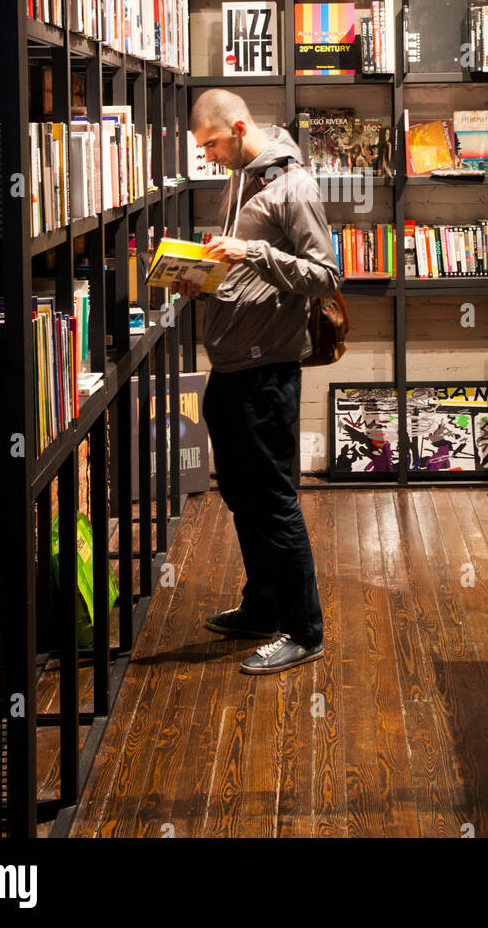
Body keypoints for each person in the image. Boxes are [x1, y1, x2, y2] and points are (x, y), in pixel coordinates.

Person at [172, 89, 341, 674]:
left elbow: (325, 274)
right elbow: (241, 270)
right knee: (241, 496)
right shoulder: (240, 177)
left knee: (272, 502)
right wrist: (200, 276)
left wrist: (253, 252)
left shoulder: (293, 185)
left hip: (267, 370)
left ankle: (304, 629)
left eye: (212, 143)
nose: (209, 155)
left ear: (240, 128)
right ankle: (264, 605)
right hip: (230, 367)